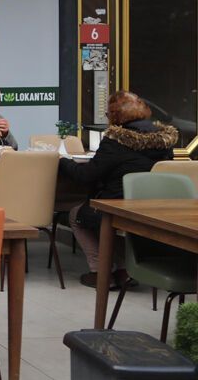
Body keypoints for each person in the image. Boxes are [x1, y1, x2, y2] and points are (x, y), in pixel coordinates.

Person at [60, 91, 177, 289]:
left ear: (115, 115)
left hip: (118, 205)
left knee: (77, 215)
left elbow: (86, 176)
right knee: (115, 224)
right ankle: (124, 270)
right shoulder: (164, 140)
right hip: (152, 208)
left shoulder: (115, 141)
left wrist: (62, 161)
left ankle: (100, 272)